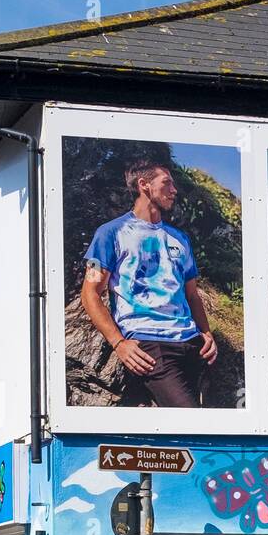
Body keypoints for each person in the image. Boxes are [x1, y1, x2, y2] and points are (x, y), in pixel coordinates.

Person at [80, 160, 218, 407]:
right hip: (150, 343)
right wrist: (119, 343)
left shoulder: (180, 238)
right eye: (167, 183)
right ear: (144, 185)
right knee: (193, 424)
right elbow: (90, 293)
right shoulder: (110, 233)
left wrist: (206, 333)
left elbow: (192, 295)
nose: (174, 190)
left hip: (191, 342)